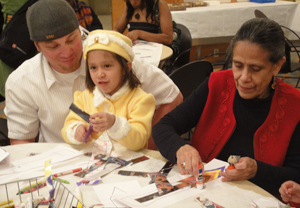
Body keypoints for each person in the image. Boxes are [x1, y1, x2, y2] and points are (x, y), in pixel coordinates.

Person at [152, 18, 300, 197]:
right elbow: (163, 127)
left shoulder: (295, 106)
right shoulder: (218, 84)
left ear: (277, 66)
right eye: (238, 65)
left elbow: (295, 175)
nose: (244, 77)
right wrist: (180, 148)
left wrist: (257, 170)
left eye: (255, 69)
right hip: (201, 194)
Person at [5, 0, 182, 147]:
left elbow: (172, 97)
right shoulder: (22, 81)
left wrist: (148, 149)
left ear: (80, 30)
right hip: (61, 169)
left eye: (71, 40)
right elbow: (22, 143)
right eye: (53, 47)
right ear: (37, 47)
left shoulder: (113, 57)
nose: (67, 53)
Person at [61, 29, 155, 151]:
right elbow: (66, 128)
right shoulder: (84, 98)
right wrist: (76, 130)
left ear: (126, 67)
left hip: (129, 164)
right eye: (93, 67)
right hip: (92, 164)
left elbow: (139, 140)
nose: (100, 74)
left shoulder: (140, 100)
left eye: (107, 66)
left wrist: (115, 124)